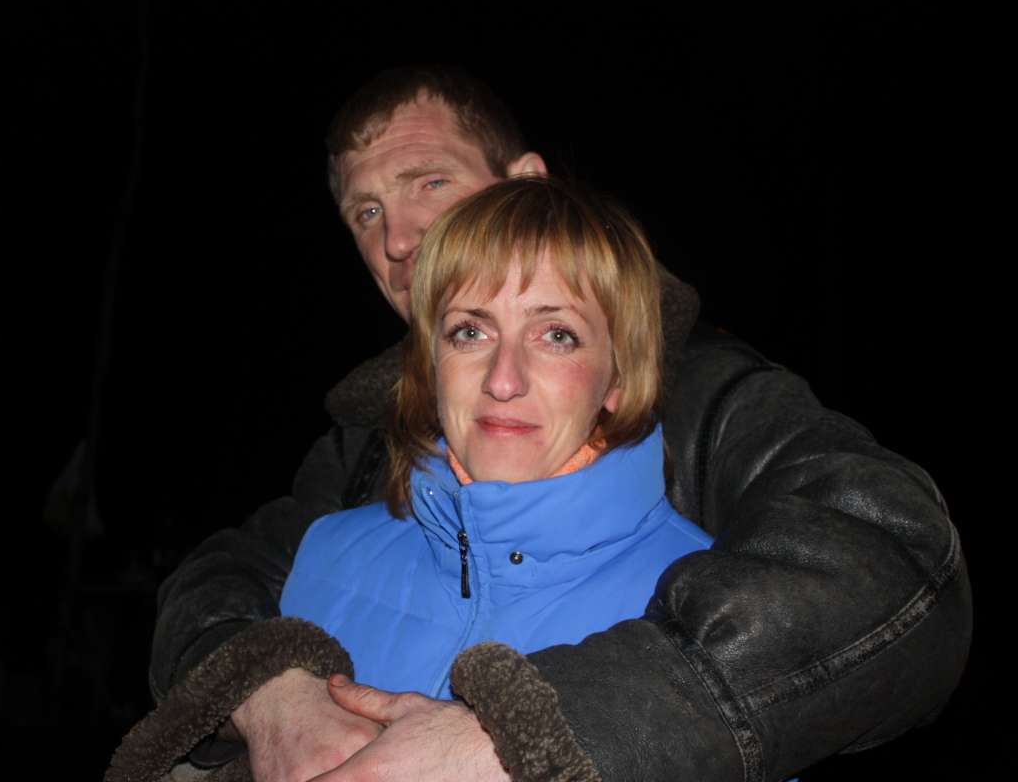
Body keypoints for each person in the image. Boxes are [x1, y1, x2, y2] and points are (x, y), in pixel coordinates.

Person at [132, 67, 970, 781]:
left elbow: (890, 558)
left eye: (429, 183)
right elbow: (225, 576)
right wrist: (267, 693)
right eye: (367, 212)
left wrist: (527, 737)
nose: (400, 240)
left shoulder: (699, 390)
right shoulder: (365, 443)